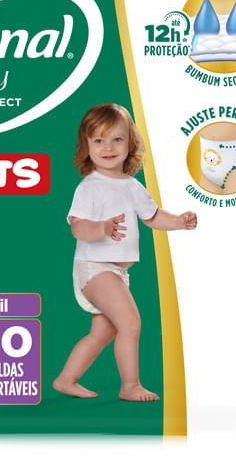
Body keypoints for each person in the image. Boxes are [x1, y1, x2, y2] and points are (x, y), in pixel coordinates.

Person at [53, 103, 197, 402]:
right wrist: (102, 228)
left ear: (130, 143)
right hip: (94, 267)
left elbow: (152, 216)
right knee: (130, 322)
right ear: (86, 147)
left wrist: (178, 222)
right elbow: (78, 228)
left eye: (117, 139)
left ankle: (65, 379)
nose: (108, 147)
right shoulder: (90, 187)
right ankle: (130, 386)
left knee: (103, 332)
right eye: (98, 140)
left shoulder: (132, 186)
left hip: (117, 271)